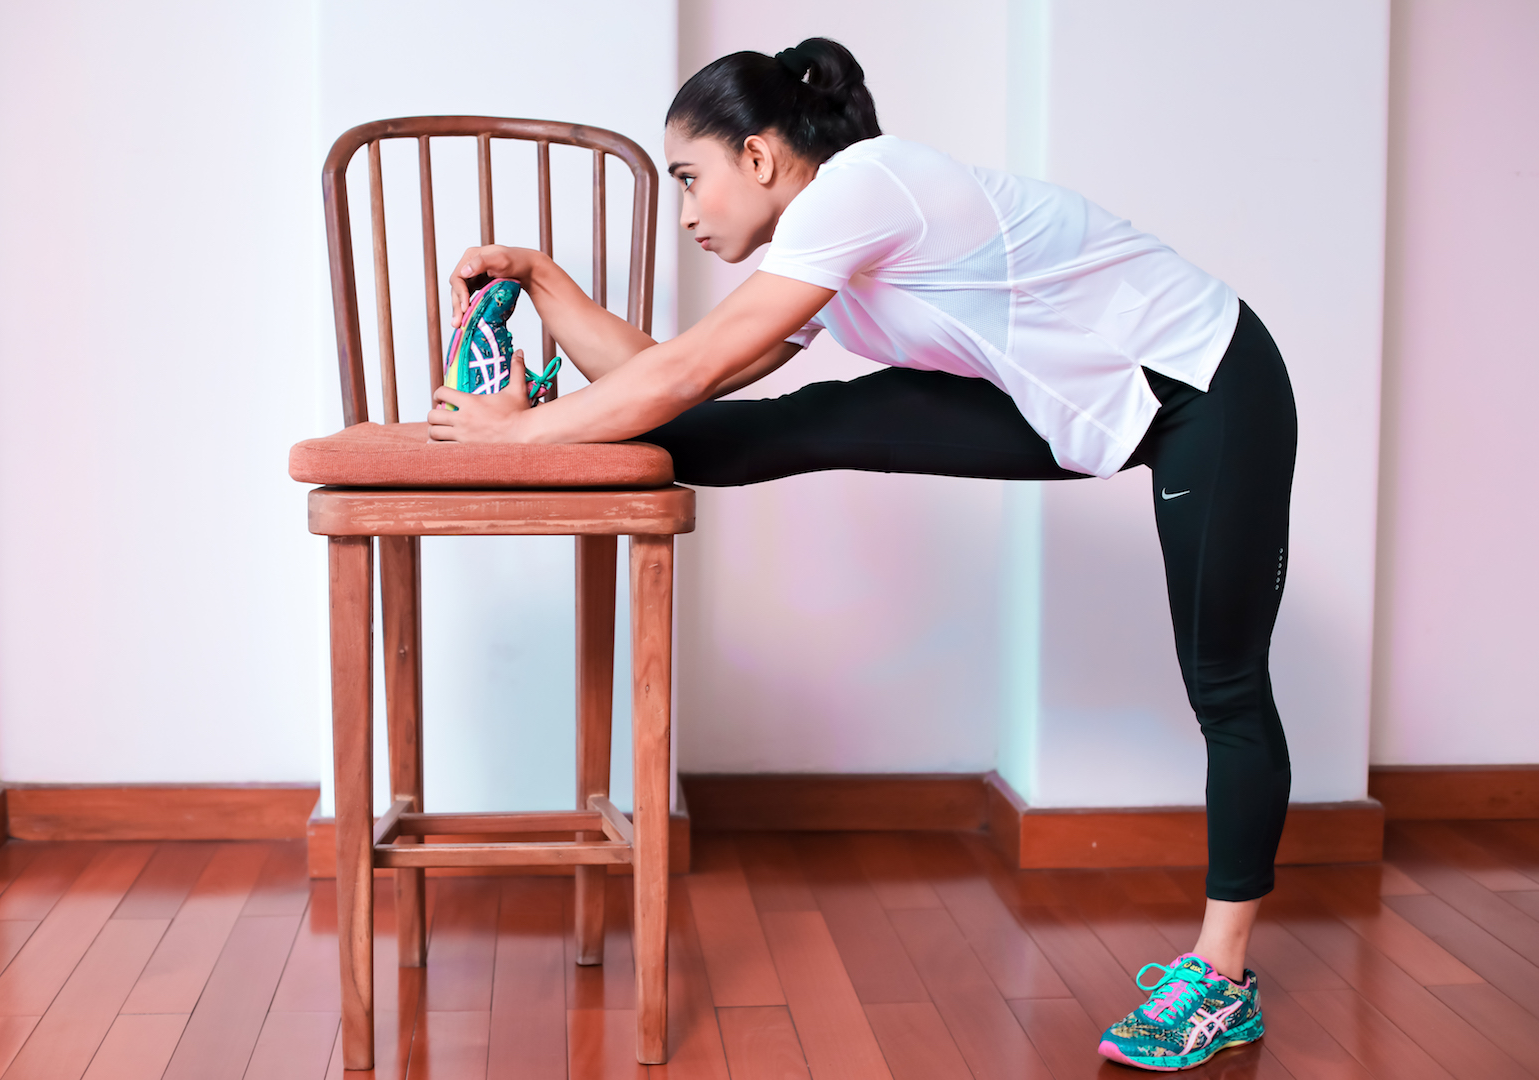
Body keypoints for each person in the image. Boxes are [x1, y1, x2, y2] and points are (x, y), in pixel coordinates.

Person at [428, 37, 1294, 1072]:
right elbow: (684, 378)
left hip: (1204, 382)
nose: (690, 211)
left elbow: (695, 364)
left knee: (1225, 683)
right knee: (796, 428)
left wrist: (518, 440)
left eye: (691, 179)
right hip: (1066, 403)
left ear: (758, 157)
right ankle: (538, 414)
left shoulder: (867, 187)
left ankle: (1224, 977)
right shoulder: (825, 244)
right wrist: (544, 283)